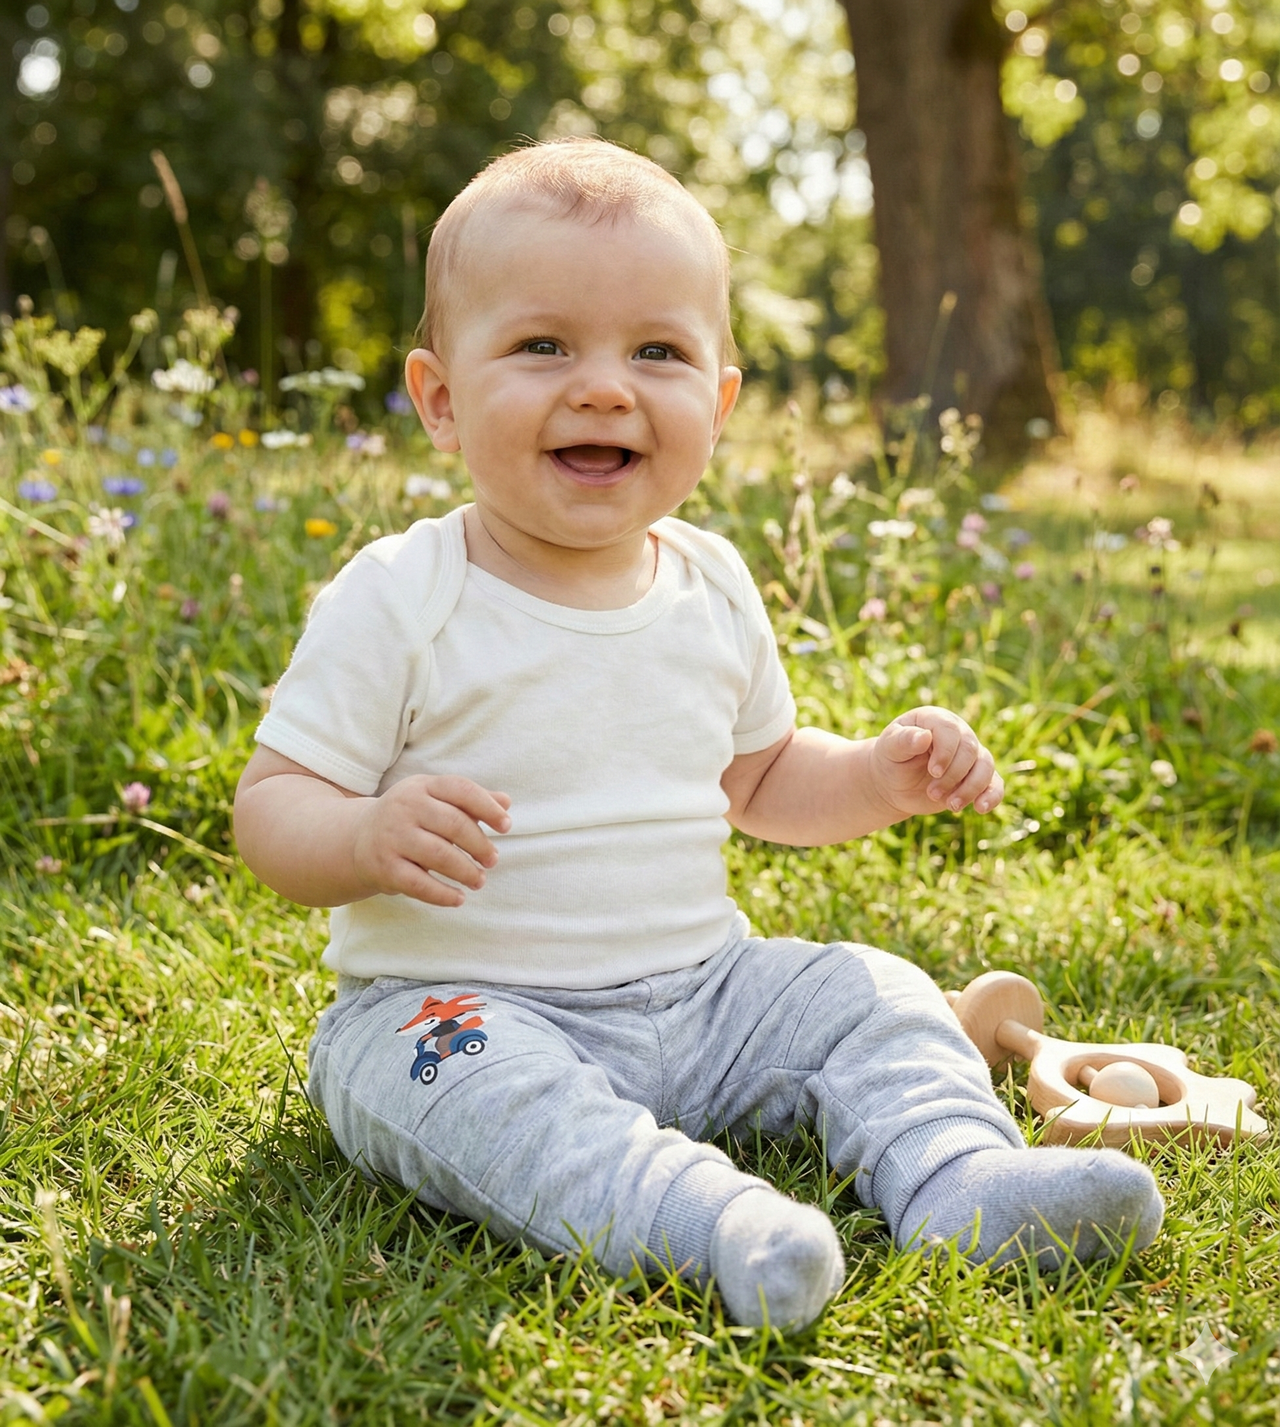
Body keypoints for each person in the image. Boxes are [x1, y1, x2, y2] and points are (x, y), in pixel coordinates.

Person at [233, 138, 1162, 1332]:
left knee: (867, 989)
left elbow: (765, 779)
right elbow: (271, 808)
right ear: (441, 399)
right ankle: (710, 1222)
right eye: (542, 345)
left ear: (716, 402)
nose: (605, 387)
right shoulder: (403, 592)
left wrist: (878, 772)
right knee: (469, 1089)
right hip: (457, 1001)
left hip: (706, 995)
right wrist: (361, 834)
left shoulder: (709, 583)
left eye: (656, 352)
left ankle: (957, 1176)